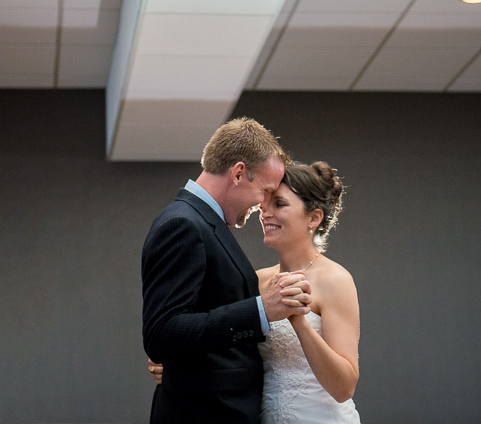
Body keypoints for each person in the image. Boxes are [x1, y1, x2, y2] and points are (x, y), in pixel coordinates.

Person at [149, 160, 362, 424]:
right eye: (265, 202)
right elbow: (222, 340)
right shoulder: (258, 280)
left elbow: (344, 388)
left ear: (314, 217)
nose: (265, 212)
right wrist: (175, 366)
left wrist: (298, 320)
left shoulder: (335, 280)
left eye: (279, 204)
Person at [142, 117, 314, 424]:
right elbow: (162, 334)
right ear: (238, 173)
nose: (263, 206)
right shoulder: (183, 224)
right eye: (265, 191)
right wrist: (261, 310)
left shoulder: (202, 222)